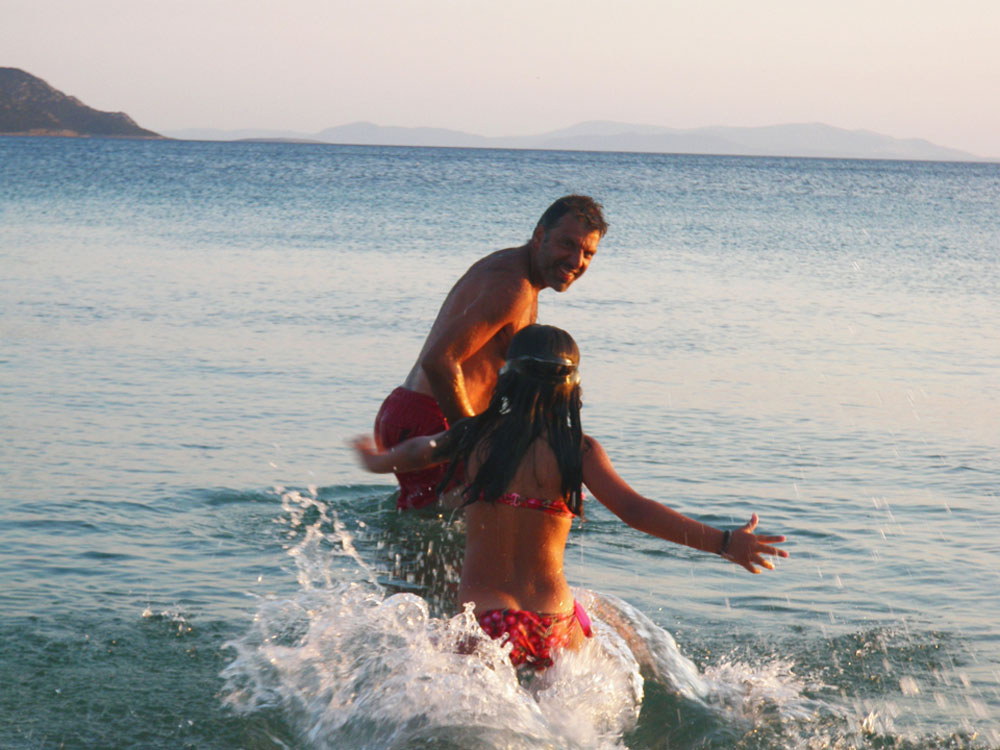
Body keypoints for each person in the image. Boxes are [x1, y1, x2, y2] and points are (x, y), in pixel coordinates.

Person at [353, 324, 789, 672]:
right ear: (572, 387)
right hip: (556, 622)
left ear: (505, 379)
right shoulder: (578, 451)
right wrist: (724, 542)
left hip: (486, 621)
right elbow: (636, 510)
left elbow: (421, 451)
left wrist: (377, 460)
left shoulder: (473, 436)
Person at [373, 195, 608, 510]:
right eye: (567, 244)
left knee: (432, 526)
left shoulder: (513, 270)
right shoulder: (513, 287)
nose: (576, 261)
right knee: (492, 523)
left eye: (588, 253)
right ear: (540, 235)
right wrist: (472, 440)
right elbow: (440, 361)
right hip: (434, 419)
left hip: (410, 412)